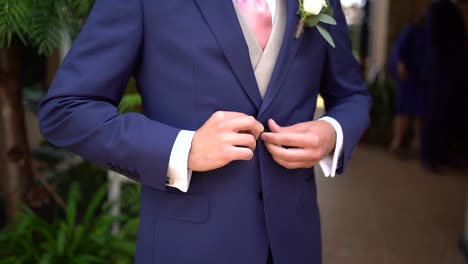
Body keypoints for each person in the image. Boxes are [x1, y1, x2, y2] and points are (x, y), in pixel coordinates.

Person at [37, 0, 371, 263]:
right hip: (188, 247)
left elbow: (352, 94)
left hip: (295, 244)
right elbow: (67, 108)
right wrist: (182, 149)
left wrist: (333, 133)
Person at [422, 0, 466, 171]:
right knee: (434, 114)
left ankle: (441, 155)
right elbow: (435, 41)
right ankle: (429, 157)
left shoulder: (452, 9)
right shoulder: (436, 8)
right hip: (438, 71)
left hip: (450, 71)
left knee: (446, 114)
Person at [388, 16, 426, 154]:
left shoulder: (428, 32)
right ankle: (397, 141)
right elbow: (400, 50)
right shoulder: (412, 30)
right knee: (404, 110)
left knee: (420, 112)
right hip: (408, 76)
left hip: (421, 77)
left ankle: (417, 143)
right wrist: (401, 66)